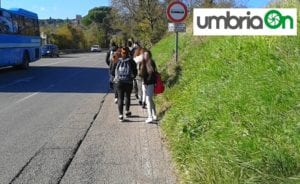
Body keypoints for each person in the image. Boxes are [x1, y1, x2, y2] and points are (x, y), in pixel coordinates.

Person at [112, 47, 137, 122]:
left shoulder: (117, 60)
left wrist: (116, 77)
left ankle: (120, 115)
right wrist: (132, 77)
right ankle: (127, 111)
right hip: (128, 82)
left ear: (121, 53)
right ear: (128, 53)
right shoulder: (131, 61)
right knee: (127, 96)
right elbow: (135, 71)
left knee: (120, 98)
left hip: (119, 82)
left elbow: (113, 71)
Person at [141, 50, 157, 123]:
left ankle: (150, 117)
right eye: (144, 55)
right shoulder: (144, 63)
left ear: (149, 55)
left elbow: (151, 74)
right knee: (150, 99)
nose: (145, 56)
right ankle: (154, 114)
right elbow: (143, 74)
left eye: (147, 55)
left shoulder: (150, 62)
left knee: (148, 99)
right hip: (146, 83)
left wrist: (146, 82)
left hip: (150, 83)